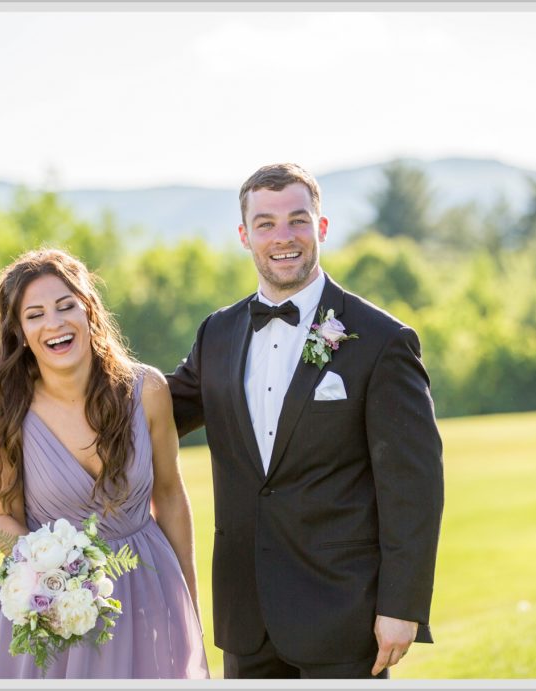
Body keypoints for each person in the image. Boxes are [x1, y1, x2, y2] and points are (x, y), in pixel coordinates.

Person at [166, 163, 444, 679]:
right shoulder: (218, 334)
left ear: (320, 227)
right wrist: (56, 390)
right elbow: (156, 410)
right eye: (266, 224)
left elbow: (414, 486)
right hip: (246, 615)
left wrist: (402, 606)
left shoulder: (381, 340)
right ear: (245, 235)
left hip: (344, 614)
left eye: (297, 220)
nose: (283, 237)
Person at [0, 248, 209, 679]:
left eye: (65, 305)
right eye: (35, 314)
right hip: (50, 604)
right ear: (20, 331)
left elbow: (170, 499)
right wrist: (56, 578)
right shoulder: (3, 410)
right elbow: (3, 519)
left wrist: (189, 606)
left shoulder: (148, 391)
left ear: (89, 310)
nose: (54, 323)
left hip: (147, 590)